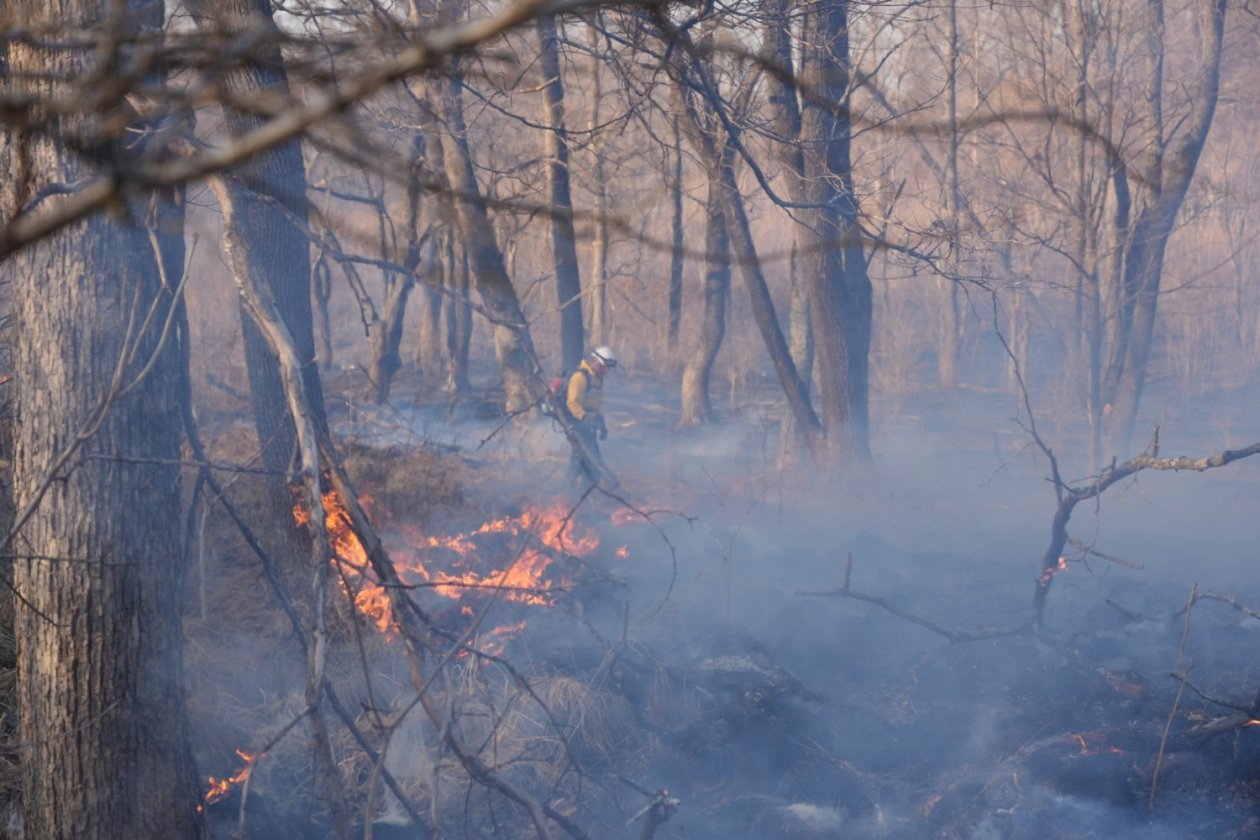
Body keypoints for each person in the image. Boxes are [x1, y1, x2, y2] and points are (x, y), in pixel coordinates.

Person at [565, 346, 616, 486]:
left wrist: (602, 423)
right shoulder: (580, 377)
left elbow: (597, 404)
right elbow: (572, 402)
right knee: (592, 462)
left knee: (581, 461)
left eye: (608, 368)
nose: (606, 371)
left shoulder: (597, 380)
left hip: (588, 428)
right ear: (594, 361)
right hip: (577, 426)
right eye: (603, 367)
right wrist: (584, 418)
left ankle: (573, 495)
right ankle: (569, 495)